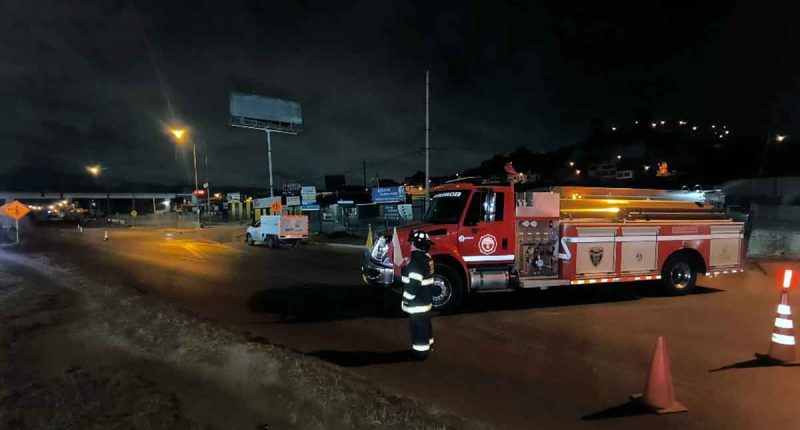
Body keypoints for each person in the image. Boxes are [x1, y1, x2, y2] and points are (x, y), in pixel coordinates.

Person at [401, 230, 435, 359]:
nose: (410, 245)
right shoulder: (427, 258)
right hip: (425, 301)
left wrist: (406, 299)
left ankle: (420, 352)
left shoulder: (416, 263)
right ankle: (429, 345)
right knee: (426, 324)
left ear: (416, 244)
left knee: (418, 327)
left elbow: (413, 286)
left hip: (417, 302)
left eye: (412, 243)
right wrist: (409, 263)